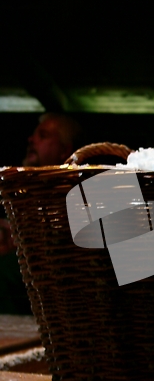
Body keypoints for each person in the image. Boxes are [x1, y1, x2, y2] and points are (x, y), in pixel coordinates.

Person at [0, 113, 84, 314]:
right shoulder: (19, 188)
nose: (32, 140)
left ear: (64, 149)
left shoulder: (73, 189)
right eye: (34, 135)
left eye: (43, 135)